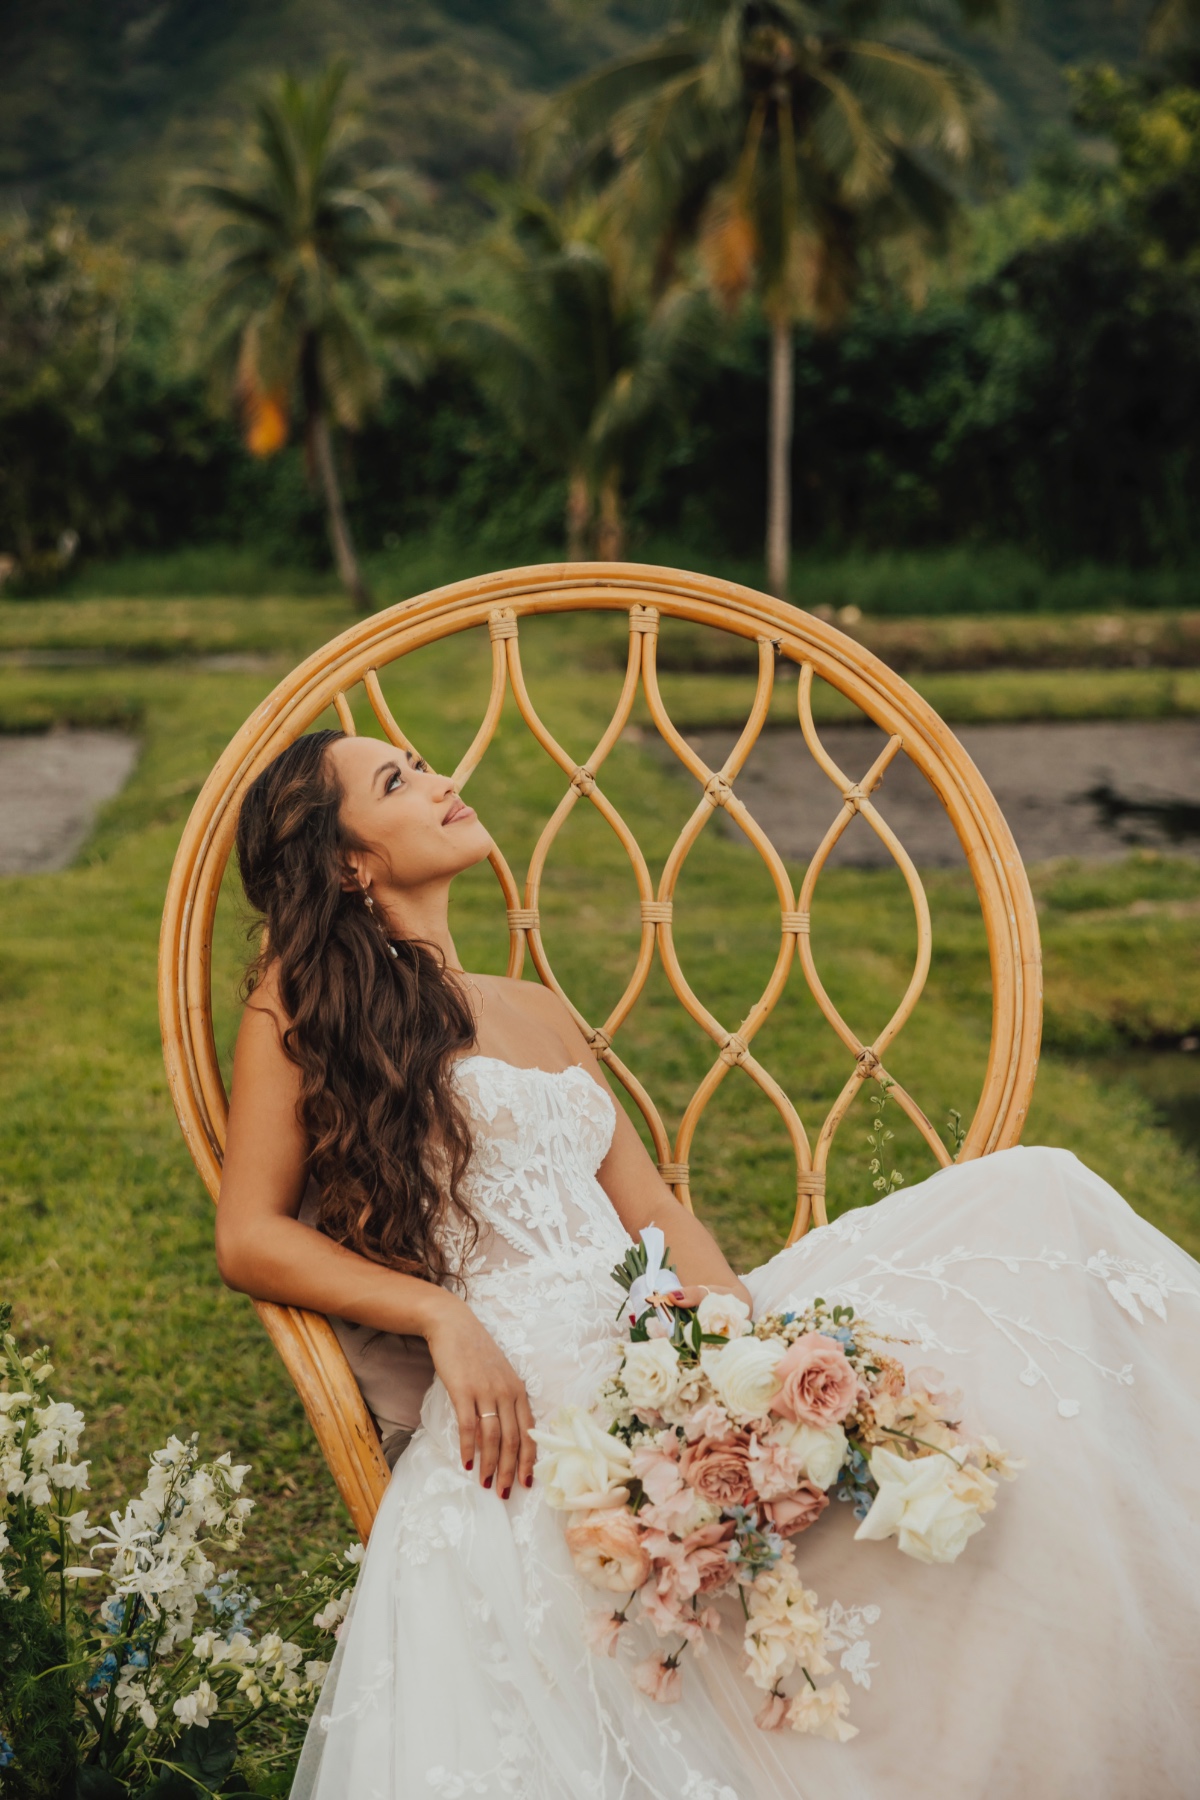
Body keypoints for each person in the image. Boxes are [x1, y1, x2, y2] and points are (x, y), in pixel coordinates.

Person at [216, 728, 1200, 1800]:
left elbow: (648, 1207)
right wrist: (442, 1321)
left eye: (425, 762)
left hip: (666, 1339)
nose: (444, 781)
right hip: (533, 1392)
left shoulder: (539, 1010)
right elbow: (251, 1235)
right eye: (398, 783)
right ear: (349, 862)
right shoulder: (301, 1008)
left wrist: (743, 1353)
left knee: (1030, 1200)